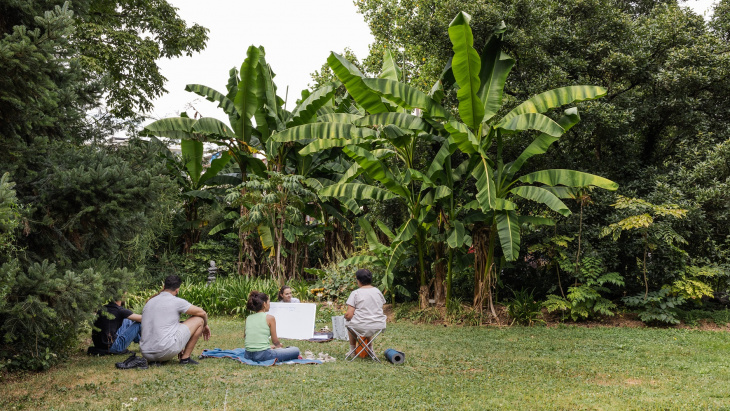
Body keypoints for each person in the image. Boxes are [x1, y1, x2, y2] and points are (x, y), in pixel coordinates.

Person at [139, 275, 211, 365]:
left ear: (164, 287)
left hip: (145, 353)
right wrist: (205, 325)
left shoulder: (150, 302)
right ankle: (185, 358)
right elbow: (202, 313)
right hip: (164, 351)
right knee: (199, 319)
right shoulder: (176, 301)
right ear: (177, 290)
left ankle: (158, 360)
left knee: (178, 324)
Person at [244, 290, 300, 362]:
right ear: (264, 304)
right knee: (296, 350)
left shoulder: (248, 318)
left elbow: (247, 337)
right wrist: (279, 346)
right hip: (264, 355)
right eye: (269, 302)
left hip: (248, 355)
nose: (269, 304)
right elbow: (275, 341)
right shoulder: (270, 318)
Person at [344, 269, 386, 354]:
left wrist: (345, 316)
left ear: (358, 280)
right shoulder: (377, 291)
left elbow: (349, 315)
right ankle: (370, 349)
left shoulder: (356, 293)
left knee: (351, 324)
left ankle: (352, 350)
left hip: (362, 324)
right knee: (367, 321)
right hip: (378, 324)